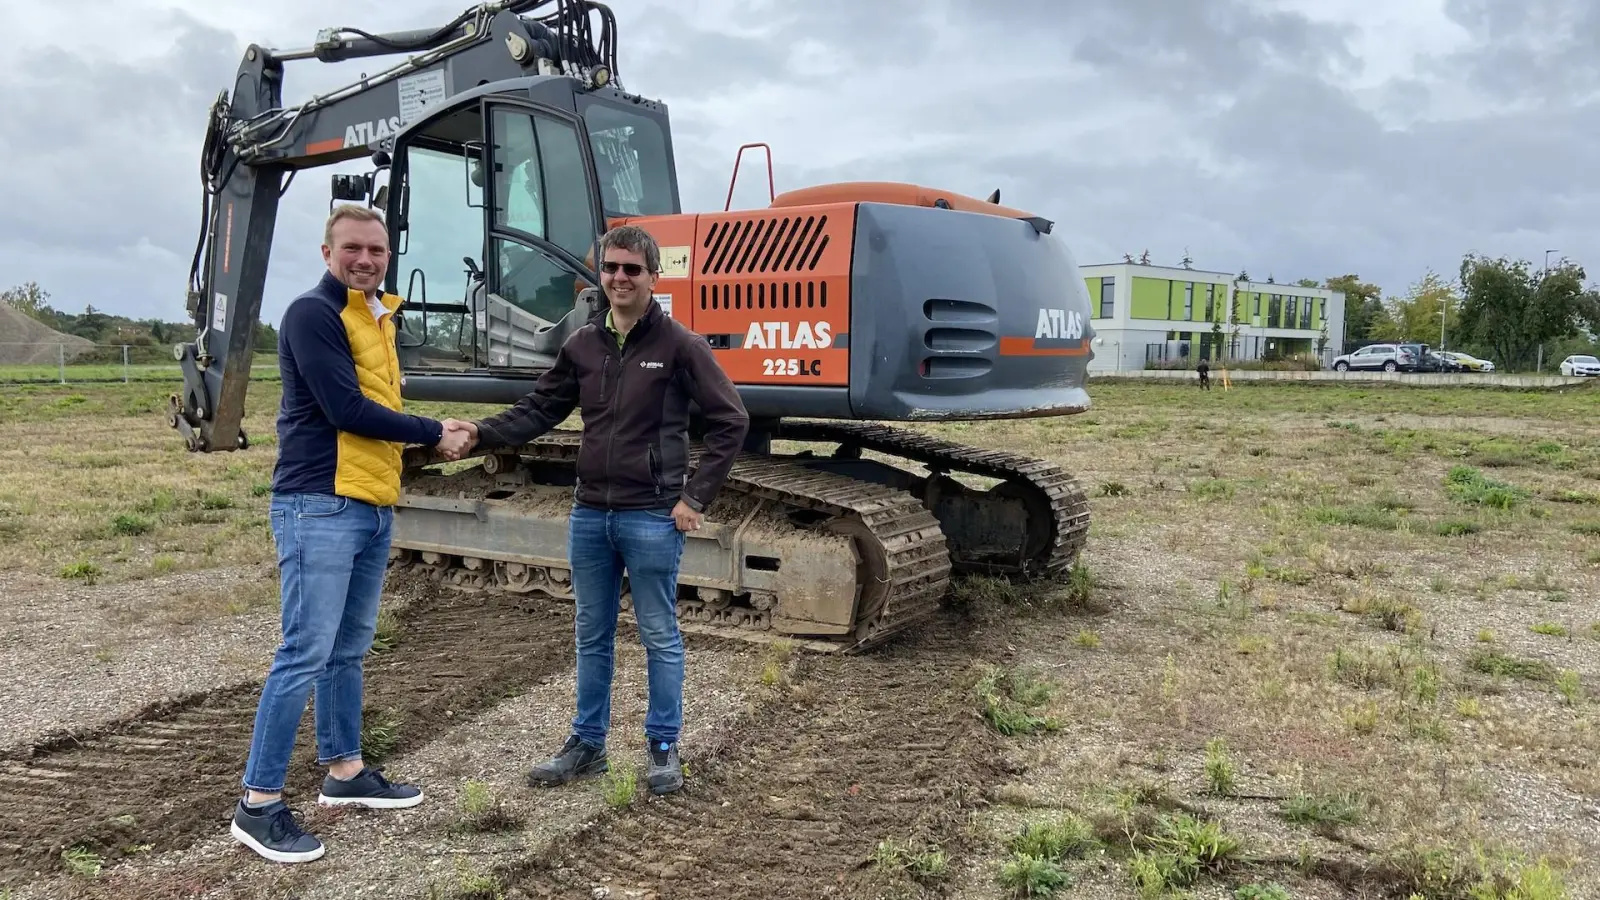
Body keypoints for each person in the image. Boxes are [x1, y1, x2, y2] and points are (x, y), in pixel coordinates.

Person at [441, 224, 748, 796]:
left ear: (653, 276)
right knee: (591, 634)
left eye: (632, 269)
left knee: (659, 632)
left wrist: (694, 496)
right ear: (600, 274)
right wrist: (479, 432)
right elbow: (538, 410)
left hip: (652, 516)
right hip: (590, 516)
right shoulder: (582, 344)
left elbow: (731, 421)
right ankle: (587, 746)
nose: (620, 278)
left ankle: (662, 748)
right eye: (611, 268)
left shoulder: (681, 346)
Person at [230, 204, 473, 864]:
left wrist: (428, 434)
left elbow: (381, 405)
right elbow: (346, 408)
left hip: (369, 502)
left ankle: (345, 772)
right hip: (319, 503)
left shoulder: (375, 316)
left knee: (347, 648)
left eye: (377, 250)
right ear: (326, 252)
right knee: (304, 650)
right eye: (353, 249)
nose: (365, 259)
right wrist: (434, 432)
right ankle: (258, 805)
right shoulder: (314, 314)